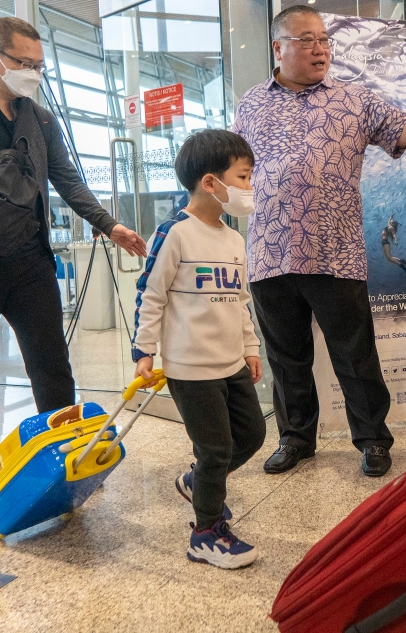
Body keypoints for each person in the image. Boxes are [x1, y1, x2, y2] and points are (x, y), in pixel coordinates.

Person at [233, 5, 406, 478]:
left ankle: (372, 440)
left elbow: (402, 125)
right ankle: (295, 438)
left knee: (354, 352)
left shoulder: (353, 99)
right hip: (269, 249)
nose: (320, 48)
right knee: (286, 357)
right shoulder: (250, 104)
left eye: (324, 39)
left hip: (335, 250)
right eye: (306, 40)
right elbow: (239, 168)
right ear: (278, 48)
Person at [0, 17, 146, 484]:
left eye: (39, 66)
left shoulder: (40, 118)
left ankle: (64, 438)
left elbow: (67, 178)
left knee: (50, 359)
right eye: (23, 63)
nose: (33, 73)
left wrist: (109, 224)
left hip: (29, 260)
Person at [132, 129, 265, 570]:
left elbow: (241, 302)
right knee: (216, 450)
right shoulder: (175, 234)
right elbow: (150, 295)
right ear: (211, 182)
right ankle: (205, 534)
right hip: (191, 369)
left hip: (230, 364)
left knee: (252, 436)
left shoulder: (233, 240)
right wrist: (143, 353)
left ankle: (196, 482)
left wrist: (250, 348)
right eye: (243, 177)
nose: (249, 188)